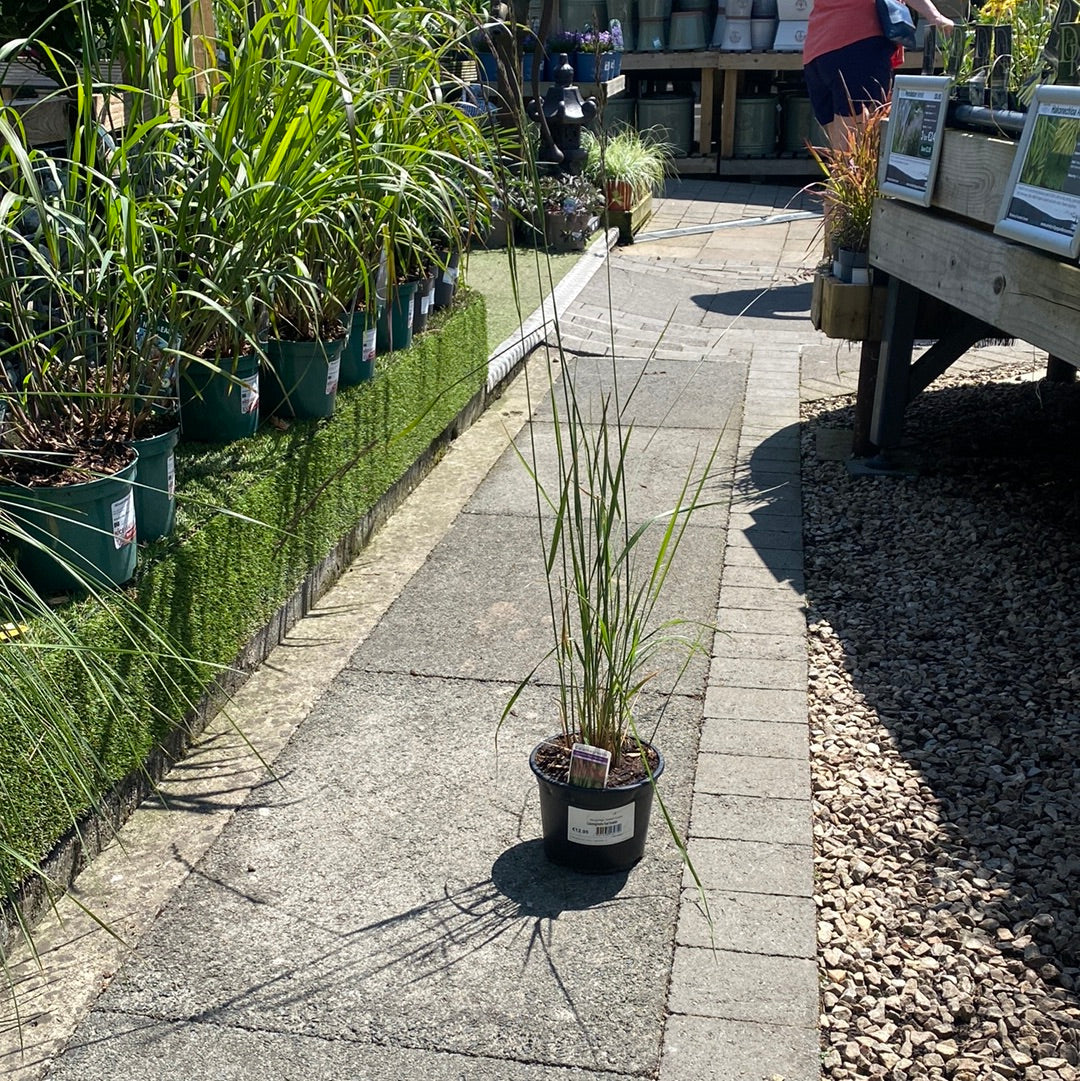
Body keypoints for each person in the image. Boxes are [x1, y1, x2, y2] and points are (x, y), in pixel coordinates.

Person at [803, 0, 954, 148]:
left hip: (817, 50)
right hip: (857, 44)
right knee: (859, 148)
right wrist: (935, 16)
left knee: (841, 151)